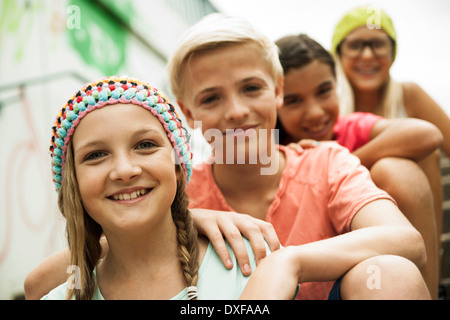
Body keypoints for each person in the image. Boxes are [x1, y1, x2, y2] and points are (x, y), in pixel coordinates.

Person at [167, 13, 430, 300]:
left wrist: (290, 261)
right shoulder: (176, 193)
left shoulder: (326, 163)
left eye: (251, 88)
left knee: (388, 272)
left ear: (278, 89)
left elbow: (407, 241)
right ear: (189, 113)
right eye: (211, 98)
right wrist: (186, 218)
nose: (237, 111)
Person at [39, 75, 276, 300]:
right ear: (73, 185)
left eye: (145, 145)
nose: (124, 170)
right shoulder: (61, 294)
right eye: (96, 155)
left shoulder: (252, 261)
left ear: (177, 167)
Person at [275, 33, 442, 298]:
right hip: (313, 277)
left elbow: (428, 134)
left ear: (337, 84)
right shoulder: (273, 152)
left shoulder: (348, 128)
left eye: (324, 91)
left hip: (377, 272)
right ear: (274, 101)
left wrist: (335, 161)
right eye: (293, 100)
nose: (316, 112)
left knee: (397, 170)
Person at [330, 6, 450, 291]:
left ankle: (428, 289)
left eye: (378, 45)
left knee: (410, 159)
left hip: (413, 205)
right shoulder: (328, 108)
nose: (368, 55)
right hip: (359, 216)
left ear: (392, 54)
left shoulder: (409, 94)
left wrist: (348, 160)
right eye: (356, 45)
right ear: (339, 54)